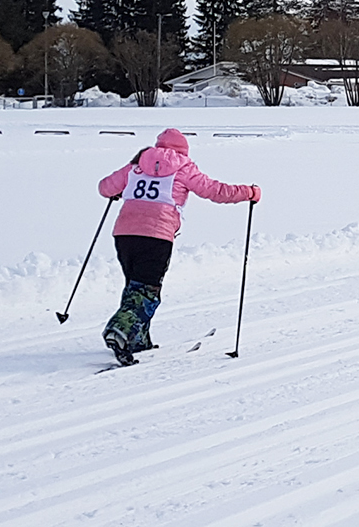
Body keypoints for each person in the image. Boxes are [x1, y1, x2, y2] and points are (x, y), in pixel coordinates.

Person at [95, 126, 258, 365]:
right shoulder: (184, 167)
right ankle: (120, 331)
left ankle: (138, 340)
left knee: (135, 286)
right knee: (148, 291)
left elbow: (105, 187)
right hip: (156, 236)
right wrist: (249, 192)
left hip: (124, 235)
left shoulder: (136, 164)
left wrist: (122, 190)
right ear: (184, 150)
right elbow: (216, 191)